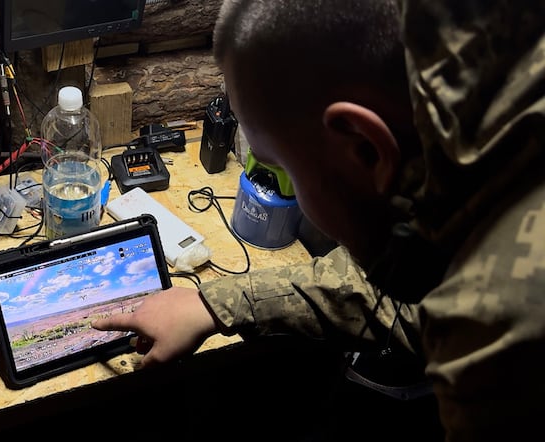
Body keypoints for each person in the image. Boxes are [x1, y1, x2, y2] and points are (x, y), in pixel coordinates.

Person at [92, 1, 545, 441]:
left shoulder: (503, 340)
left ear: (366, 149)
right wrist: (215, 304)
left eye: (285, 171)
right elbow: (408, 305)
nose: (296, 203)